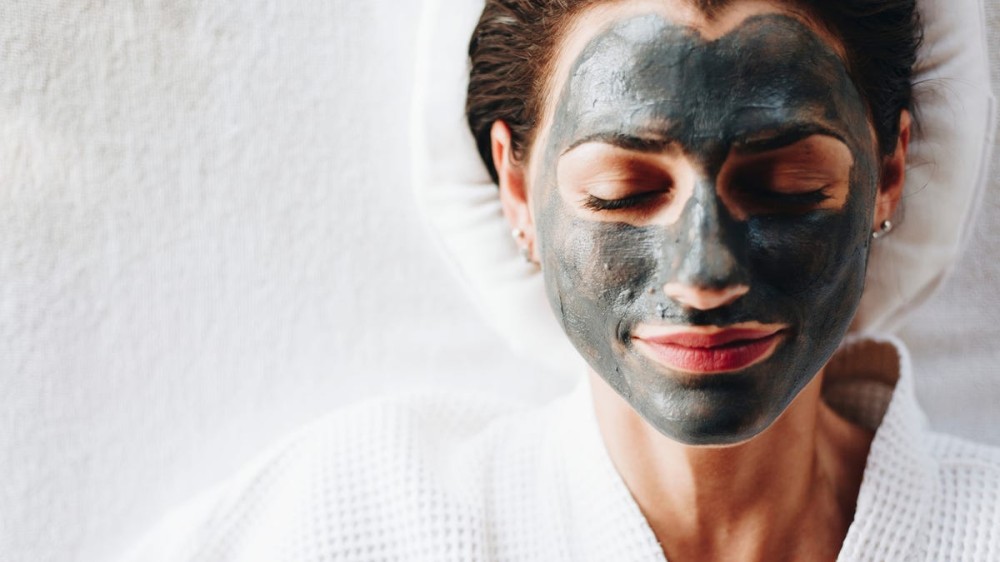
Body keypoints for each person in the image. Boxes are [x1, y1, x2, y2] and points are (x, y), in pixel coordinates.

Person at [122, 0, 1000, 560]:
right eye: (622, 192)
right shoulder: (368, 513)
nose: (704, 277)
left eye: (785, 188)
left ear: (890, 169)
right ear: (517, 187)